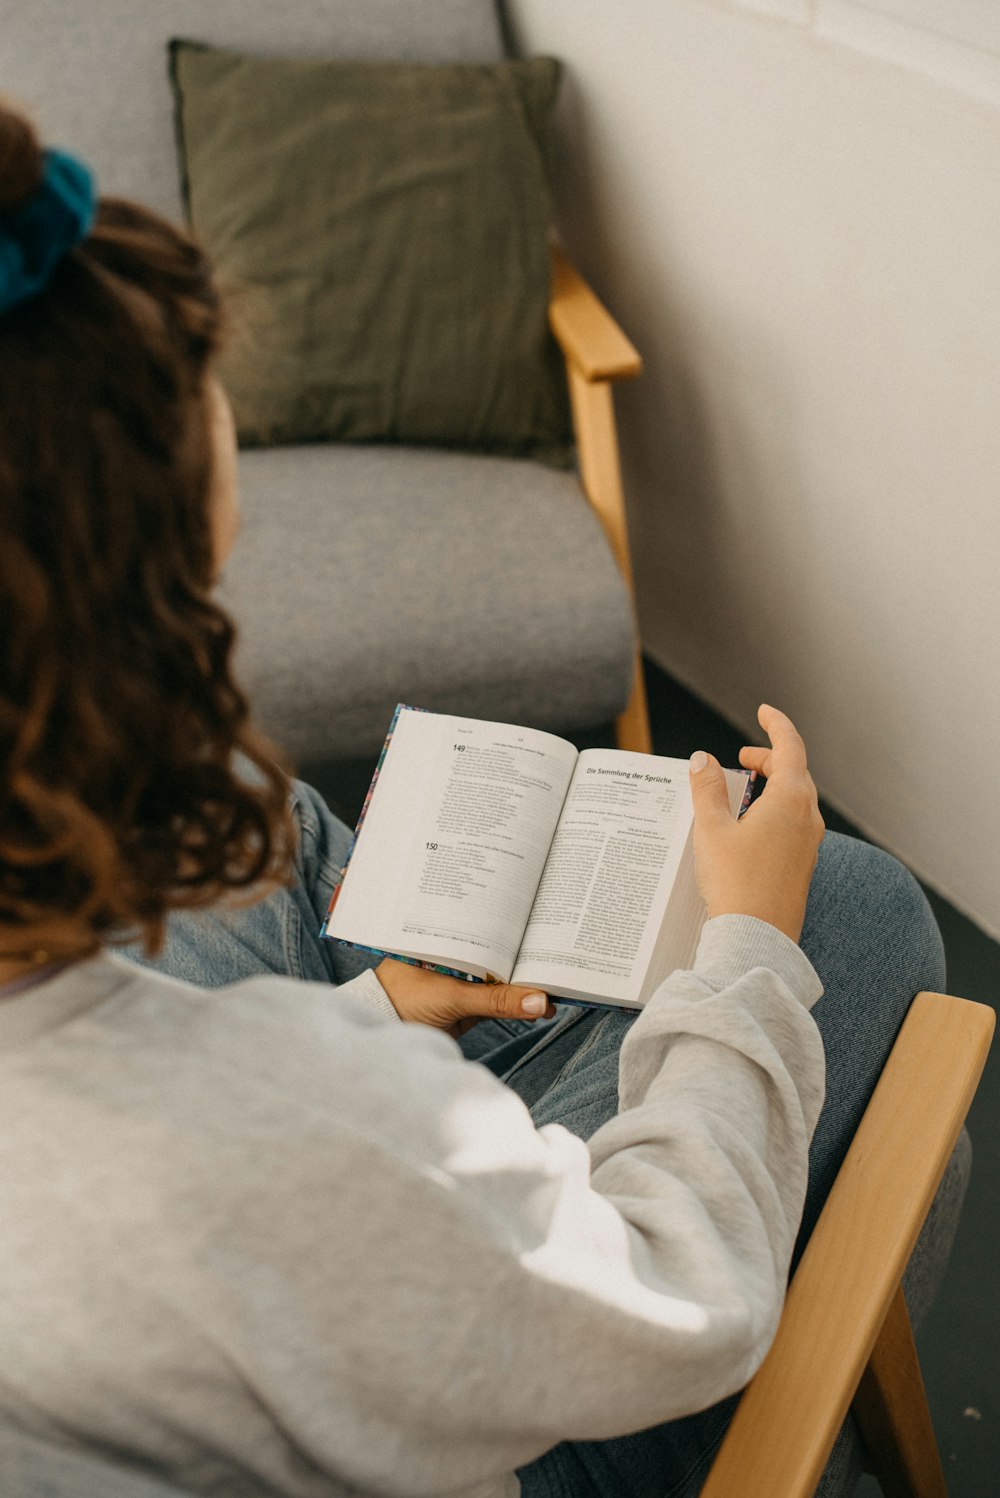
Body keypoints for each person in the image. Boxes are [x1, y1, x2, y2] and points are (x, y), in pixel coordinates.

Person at [0, 103, 945, 1498]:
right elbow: (683, 1298)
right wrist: (746, 954)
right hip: (459, 1368)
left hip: (187, 1274)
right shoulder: (279, 1133)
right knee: (856, 914)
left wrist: (364, 1017)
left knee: (295, 868)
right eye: (211, 582)